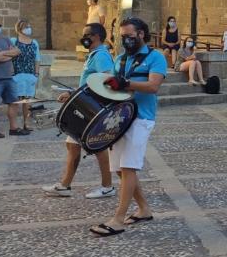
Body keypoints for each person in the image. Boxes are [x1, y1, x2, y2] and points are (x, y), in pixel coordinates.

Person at [89, 18, 166, 237]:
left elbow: (153, 86)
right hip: (119, 118)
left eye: (129, 36)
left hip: (141, 118)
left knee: (129, 167)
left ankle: (118, 219)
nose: (125, 40)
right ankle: (144, 209)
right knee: (121, 169)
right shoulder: (120, 58)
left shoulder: (155, 57)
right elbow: (111, 86)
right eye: (122, 36)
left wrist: (126, 84)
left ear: (142, 34)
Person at [42, 23, 116, 199]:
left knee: (97, 145)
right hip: (86, 105)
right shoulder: (94, 55)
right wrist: (72, 94)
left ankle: (107, 186)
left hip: (92, 108)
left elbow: (107, 80)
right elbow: (88, 83)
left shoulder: (101, 56)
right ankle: (65, 186)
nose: (83, 38)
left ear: (97, 36)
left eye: (87, 35)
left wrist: (82, 97)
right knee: (72, 144)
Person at [10, 20, 41, 132]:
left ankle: (26, 124)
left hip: (29, 75)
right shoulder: (13, 41)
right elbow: (9, 56)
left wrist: (36, 74)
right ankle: (13, 126)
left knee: (27, 102)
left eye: (29, 26)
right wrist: (11, 73)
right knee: (15, 102)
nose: (28, 28)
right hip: (17, 75)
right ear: (19, 29)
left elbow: (37, 59)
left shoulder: (34, 43)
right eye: (25, 27)